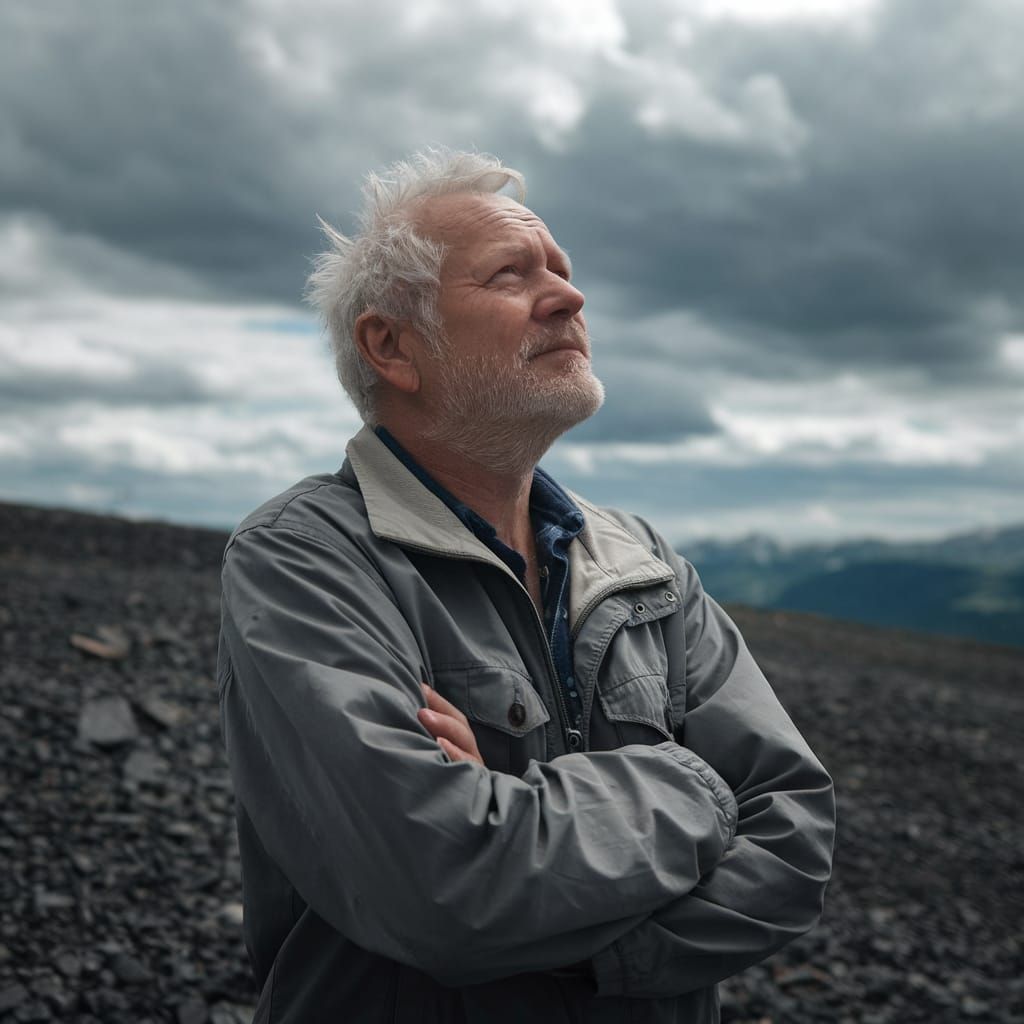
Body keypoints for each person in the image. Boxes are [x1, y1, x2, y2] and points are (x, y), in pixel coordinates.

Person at [216, 148, 836, 1023]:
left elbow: (796, 838)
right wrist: (694, 786)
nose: (569, 298)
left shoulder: (643, 564)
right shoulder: (304, 559)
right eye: (512, 274)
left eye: (565, 272)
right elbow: (441, 889)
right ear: (391, 346)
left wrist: (556, 903)